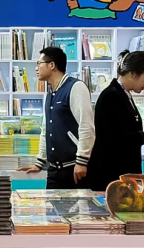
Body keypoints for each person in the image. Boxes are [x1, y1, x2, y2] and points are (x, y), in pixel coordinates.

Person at [87, 50, 144, 192]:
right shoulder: (110, 96)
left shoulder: (124, 95)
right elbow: (116, 140)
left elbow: (125, 131)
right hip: (110, 174)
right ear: (132, 74)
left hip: (123, 173)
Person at [18, 47, 95, 188]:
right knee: (51, 203)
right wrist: (40, 162)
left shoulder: (76, 87)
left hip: (74, 169)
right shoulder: (50, 93)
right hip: (53, 170)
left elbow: (86, 126)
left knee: (78, 203)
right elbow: (46, 129)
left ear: (52, 65)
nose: (36, 68)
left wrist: (82, 161)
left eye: (39, 63)